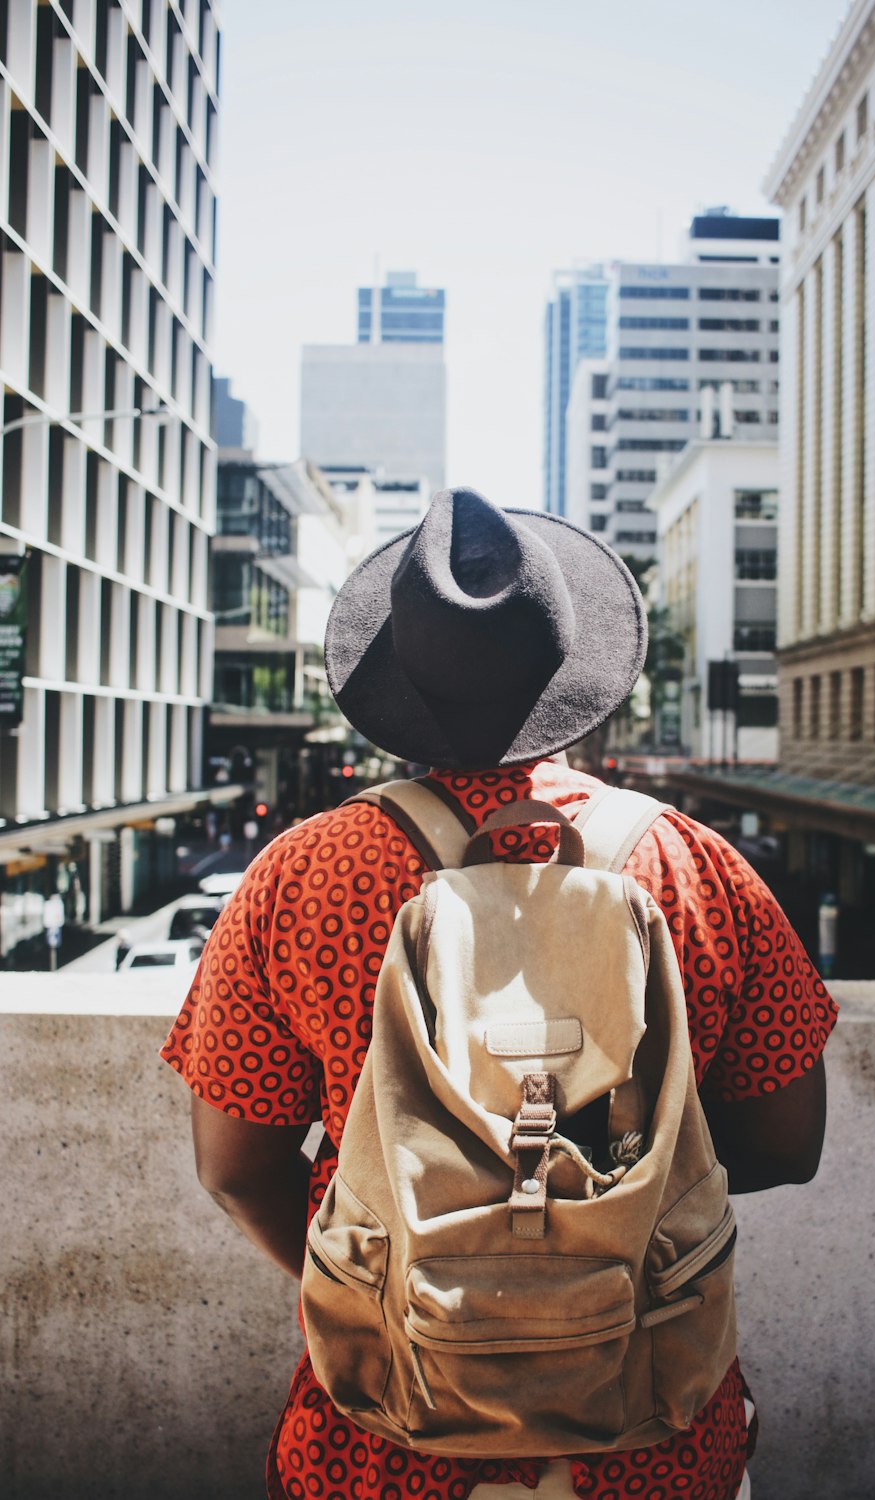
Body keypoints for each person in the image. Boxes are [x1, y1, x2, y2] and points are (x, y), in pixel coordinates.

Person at [161, 487, 836, 1500]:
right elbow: (788, 1142)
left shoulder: (301, 874)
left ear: (401, 683)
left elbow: (233, 1163)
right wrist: (606, 1207)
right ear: (570, 676)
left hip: (385, 1444)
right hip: (649, 1441)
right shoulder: (695, 867)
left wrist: (393, 1279)